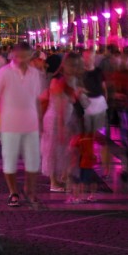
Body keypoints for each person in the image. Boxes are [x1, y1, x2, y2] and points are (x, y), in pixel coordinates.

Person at [0, 42, 44, 207]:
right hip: (9, 124)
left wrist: (40, 121)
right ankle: (13, 191)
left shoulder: (35, 73)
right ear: (13, 55)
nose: (23, 59)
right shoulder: (4, 72)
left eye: (26, 56)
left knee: (33, 159)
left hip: (31, 122)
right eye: (20, 56)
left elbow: (38, 99)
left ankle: (31, 190)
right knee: (10, 159)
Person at [42, 52, 85, 192]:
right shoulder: (58, 80)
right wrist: (61, 127)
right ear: (65, 65)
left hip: (66, 117)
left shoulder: (70, 80)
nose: (75, 68)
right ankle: (54, 182)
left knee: (65, 150)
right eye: (73, 65)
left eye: (77, 66)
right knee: (53, 150)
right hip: (55, 118)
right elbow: (59, 106)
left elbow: (71, 100)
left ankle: (62, 177)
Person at [82, 49, 110, 175]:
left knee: (101, 137)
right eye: (86, 57)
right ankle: (87, 163)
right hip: (86, 105)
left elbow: (104, 89)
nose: (88, 59)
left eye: (90, 57)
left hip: (99, 105)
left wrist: (105, 101)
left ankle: (105, 167)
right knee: (87, 136)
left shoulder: (99, 72)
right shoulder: (80, 72)